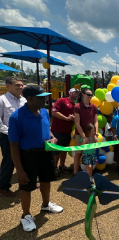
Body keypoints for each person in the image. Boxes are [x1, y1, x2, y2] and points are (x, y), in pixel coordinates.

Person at [8, 85, 63, 232]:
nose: (45, 99)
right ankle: (26, 216)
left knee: (46, 180)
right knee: (26, 186)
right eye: (41, 97)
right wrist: (19, 171)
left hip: (46, 153)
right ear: (30, 98)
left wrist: (52, 138)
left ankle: (45, 205)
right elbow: (13, 146)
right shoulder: (16, 117)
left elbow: (48, 129)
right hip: (28, 155)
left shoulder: (44, 112)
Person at [0, 76, 26, 197]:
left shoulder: (24, 100)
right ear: (8, 85)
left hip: (24, 135)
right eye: (17, 85)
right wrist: (10, 132)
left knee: (26, 158)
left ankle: (26, 182)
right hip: (8, 136)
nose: (20, 87)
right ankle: (3, 186)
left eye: (21, 85)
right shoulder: (2, 100)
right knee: (9, 161)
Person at [51, 88, 79, 177]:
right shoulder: (62, 100)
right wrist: (66, 118)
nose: (77, 94)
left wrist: (74, 119)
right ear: (70, 93)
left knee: (64, 150)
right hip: (58, 130)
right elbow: (54, 112)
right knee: (56, 151)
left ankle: (62, 166)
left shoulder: (75, 105)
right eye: (76, 92)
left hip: (68, 131)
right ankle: (54, 168)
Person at [73, 88, 98, 175]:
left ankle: (89, 175)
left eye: (91, 95)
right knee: (78, 154)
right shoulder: (77, 106)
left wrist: (96, 134)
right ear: (83, 94)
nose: (90, 96)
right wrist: (83, 136)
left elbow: (96, 121)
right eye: (88, 94)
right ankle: (75, 174)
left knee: (91, 154)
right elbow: (77, 123)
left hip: (91, 134)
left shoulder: (94, 107)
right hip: (80, 134)